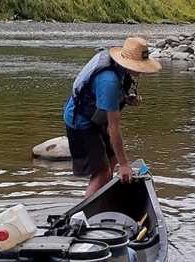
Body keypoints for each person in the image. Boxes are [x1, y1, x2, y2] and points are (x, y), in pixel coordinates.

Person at [63, 36, 162, 196]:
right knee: (102, 170)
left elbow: (102, 97)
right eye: (140, 67)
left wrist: (124, 98)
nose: (141, 71)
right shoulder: (108, 81)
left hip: (95, 114)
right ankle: (84, 213)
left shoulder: (118, 67)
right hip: (80, 122)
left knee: (112, 158)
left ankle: (100, 195)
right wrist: (124, 165)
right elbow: (113, 128)